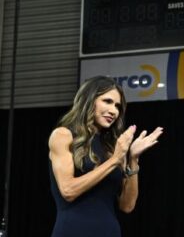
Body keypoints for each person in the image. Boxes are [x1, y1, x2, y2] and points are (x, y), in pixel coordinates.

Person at [48, 76, 164, 236]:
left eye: (117, 106)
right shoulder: (63, 135)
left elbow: (127, 206)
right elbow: (68, 190)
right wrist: (115, 160)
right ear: (89, 100)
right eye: (107, 101)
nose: (113, 111)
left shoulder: (113, 148)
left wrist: (133, 159)